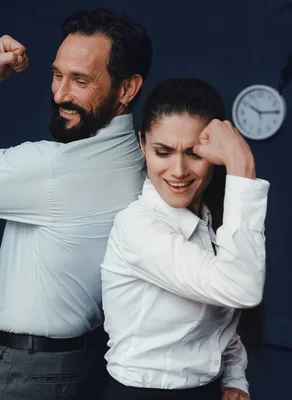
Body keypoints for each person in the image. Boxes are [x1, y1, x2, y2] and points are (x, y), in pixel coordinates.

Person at [0, 8, 152, 400]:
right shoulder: (139, 155)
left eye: (80, 80)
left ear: (127, 89)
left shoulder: (53, 167)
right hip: (82, 366)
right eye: (57, 75)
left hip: (25, 375)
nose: (60, 94)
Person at [100, 78, 270, 400]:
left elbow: (219, 318)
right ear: (142, 145)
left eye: (193, 153)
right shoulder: (138, 227)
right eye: (162, 152)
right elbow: (240, 287)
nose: (178, 170)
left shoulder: (212, 222)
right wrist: (241, 166)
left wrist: (234, 378)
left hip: (204, 391)